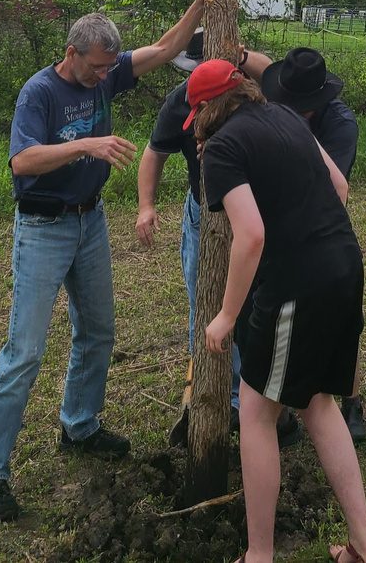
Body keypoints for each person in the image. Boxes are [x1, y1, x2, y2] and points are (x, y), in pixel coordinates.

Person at [0, 0, 207, 524]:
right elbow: (22, 162)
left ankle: (79, 425)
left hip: (90, 222)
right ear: (72, 52)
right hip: (43, 227)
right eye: (97, 67)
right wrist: (86, 144)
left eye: (109, 68)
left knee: (98, 331)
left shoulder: (108, 71)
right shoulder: (39, 93)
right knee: (25, 351)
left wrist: (197, 6)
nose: (105, 76)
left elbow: (166, 49)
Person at [187, 58, 366, 563]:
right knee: (317, 403)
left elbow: (251, 235)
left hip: (298, 284)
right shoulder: (285, 116)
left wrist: (227, 315)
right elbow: (340, 187)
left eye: (197, 119)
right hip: (346, 263)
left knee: (256, 413)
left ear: (207, 110)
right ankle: (365, 546)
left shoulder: (222, 149)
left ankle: (259, 555)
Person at [243, 44, 366, 443]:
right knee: (268, 316)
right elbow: (260, 66)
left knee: (343, 319)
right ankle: (282, 406)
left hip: (323, 227)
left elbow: (336, 190)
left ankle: (351, 401)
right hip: (278, 228)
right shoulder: (279, 105)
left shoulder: (340, 125)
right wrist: (238, 55)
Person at [135, 28, 244, 434]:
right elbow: (154, 153)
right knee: (205, 301)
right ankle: (209, 391)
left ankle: (244, 397)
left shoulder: (247, 96)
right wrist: (146, 206)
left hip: (250, 211)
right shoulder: (179, 100)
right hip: (203, 209)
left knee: (248, 301)